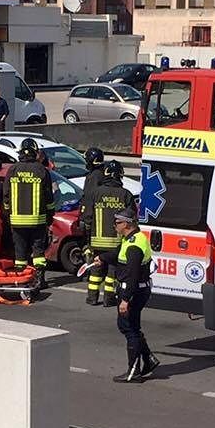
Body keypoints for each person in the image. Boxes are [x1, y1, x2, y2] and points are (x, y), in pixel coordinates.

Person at [78, 149, 133, 306]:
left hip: (97, 242)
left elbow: (87, 217)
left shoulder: (96, 193)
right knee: (112, 273)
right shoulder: (126, 195)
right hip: (117, 243)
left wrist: (88, 239)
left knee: (96, 271)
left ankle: (92, 298)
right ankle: (109, 299)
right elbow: (132, 219)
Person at [110, 211, 159, 383]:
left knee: (129, 328)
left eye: (117, 222)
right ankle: (149, 359)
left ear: (127, 224)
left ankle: (134, 371)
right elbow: (117, 255)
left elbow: (132, 275)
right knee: (131, 327)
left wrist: (125, 299)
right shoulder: (132, 238)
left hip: (133, 292)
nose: (114, 225)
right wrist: (101, 258)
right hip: (137, 290)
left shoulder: (134, 246)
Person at [4, 139, 55, 284]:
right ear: (35, 152)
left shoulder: (13, 170)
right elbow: (49, 197)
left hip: (17, 221)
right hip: (38, 220)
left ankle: (22, 280)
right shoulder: (42, 170)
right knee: (38, 252)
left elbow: (6, 195)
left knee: (20, 253)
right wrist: (50, 215)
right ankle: (39, 279)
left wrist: (8, 215)